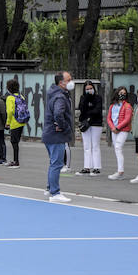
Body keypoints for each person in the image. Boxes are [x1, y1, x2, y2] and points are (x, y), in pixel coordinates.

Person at [43, 71, 74, 202]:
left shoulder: (53, 93)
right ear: (61, 83)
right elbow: (58, 114)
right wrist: (66, 127)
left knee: (53, 163)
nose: (71, 82)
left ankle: (50, 188)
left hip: (49, 134)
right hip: (56, 135)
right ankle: (55, 193)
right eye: (69, 79)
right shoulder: (60, 96)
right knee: (57, 164)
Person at [76, 82, 104, 175]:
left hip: (96, 123)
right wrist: (87, 100)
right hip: (86, 124)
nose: (89, 90)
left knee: (95, 145)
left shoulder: (98, 97)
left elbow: (97, 110)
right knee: (87, 146)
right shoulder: (83, 98)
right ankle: (87, 167)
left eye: (90, 88)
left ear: (94, 88)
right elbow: (81, 109)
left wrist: (88, 112)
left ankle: (97, 167)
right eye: (87, 89)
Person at [106, 86, 133, 180]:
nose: (122, 95)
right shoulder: (112, 106)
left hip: (123, 130)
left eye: (124, 93)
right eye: (120, 93)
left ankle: (120, 171)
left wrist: (118, 127)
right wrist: (113, 128)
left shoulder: (127, 106)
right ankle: (119, 170)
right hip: (114, 130)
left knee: (118, 147)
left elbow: (127, 119)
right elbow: (108, 118)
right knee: (116, 149)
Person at [5, 79, 26, 168]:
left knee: (14, 142)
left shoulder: (10, 98)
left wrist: (7, 122)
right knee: (16, 142)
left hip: (14, 122)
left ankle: (16, 161)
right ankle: (15, 160)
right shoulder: (21, 96)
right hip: (22, 122)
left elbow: (9, 111)